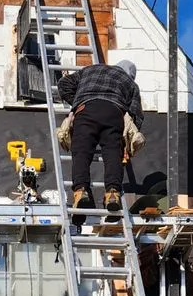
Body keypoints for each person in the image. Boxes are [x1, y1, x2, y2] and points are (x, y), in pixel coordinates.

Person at [57, 60, 144, 226]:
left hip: (86, 110)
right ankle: (112, 193)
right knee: (113, 154)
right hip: (114, 113)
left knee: (81, 152)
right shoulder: (129, 83)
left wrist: (77, 102)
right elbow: (136, 114)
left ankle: (81, 192)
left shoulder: (90, 69)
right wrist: (126, 141)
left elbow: (64, 84)